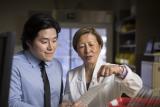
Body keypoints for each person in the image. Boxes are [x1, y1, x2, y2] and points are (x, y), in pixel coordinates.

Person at [61, 26, 143, 107]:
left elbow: (136, 88)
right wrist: (66, 105)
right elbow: (67, 100)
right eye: (82, 46)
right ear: (77, 51)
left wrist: (120, 70)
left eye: (91, 44)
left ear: (100, 47)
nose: (87, 50)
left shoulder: (115, 71)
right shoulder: (71, 75)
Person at [9, 13, 63, 107]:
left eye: (54, 41)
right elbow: (11, 102)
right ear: (29, 42)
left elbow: (58, 100)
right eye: (44, 42)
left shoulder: (57, 65)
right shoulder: (13, 64)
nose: (51, 47)